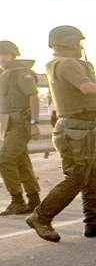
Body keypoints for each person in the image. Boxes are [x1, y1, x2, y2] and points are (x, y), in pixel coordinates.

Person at [26, 26, 96, 242]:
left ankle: (95, 222)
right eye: (78, 42)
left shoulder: (60, 64)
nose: (80, 47)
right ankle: (40, 216)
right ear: (69, 43)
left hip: (79, 129)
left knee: (94, 175)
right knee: (78, 177)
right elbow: (87, 88)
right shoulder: (67, 63)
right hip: (74, 129)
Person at [0, 40, 41, 216]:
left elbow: (33, 97)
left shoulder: (21, 73)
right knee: (21, 161)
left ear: (12, 54)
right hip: (9, 125)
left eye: (4, 54)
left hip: (20, 124)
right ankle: (34, 200)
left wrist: (34, 123)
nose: (1, 58)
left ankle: (17, 201)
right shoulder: (5, 73)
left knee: (4, 159)